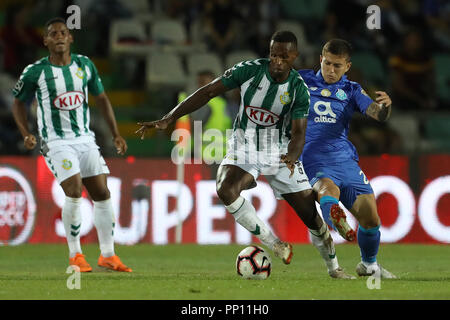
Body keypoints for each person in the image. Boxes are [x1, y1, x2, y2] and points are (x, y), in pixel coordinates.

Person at [137, 31, 354, 279]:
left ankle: (334, 267)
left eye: (284, 56)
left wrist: (292, 157)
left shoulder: (298, 90)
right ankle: (275, 244)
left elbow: (299, 132)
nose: (277, 61)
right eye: (273, 55)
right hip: (245, 145)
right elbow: (208, 92)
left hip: (279, 151)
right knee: (225, 188)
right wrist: (170, 117)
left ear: (294, 56)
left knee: (310, 217)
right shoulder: (249, 70)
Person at [11, 18, 131, 272]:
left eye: (63, 33)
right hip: (55, 141)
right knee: (75, 190)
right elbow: (18, 103)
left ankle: (108, 255)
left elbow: (102, 98)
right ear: (45, 41)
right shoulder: (36, 72)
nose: (59, 37)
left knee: (102, 193)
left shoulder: (85, 65)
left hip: (85, 139)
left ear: (71, 38)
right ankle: (75, 255)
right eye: (53, 34)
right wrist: (25, 132)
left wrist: (116, 133)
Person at [298, 39, 397, 278]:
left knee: (371, 219)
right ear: (320, 59)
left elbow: (377, 114)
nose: (331, 70)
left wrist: (385, 107)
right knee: (326, 187)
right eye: (328, 63)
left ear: (347, 66)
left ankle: (369, 266)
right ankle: (334, 216)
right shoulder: (300, 80)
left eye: (337, 66)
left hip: (344, 159)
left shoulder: (352, 89)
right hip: (312, 155)